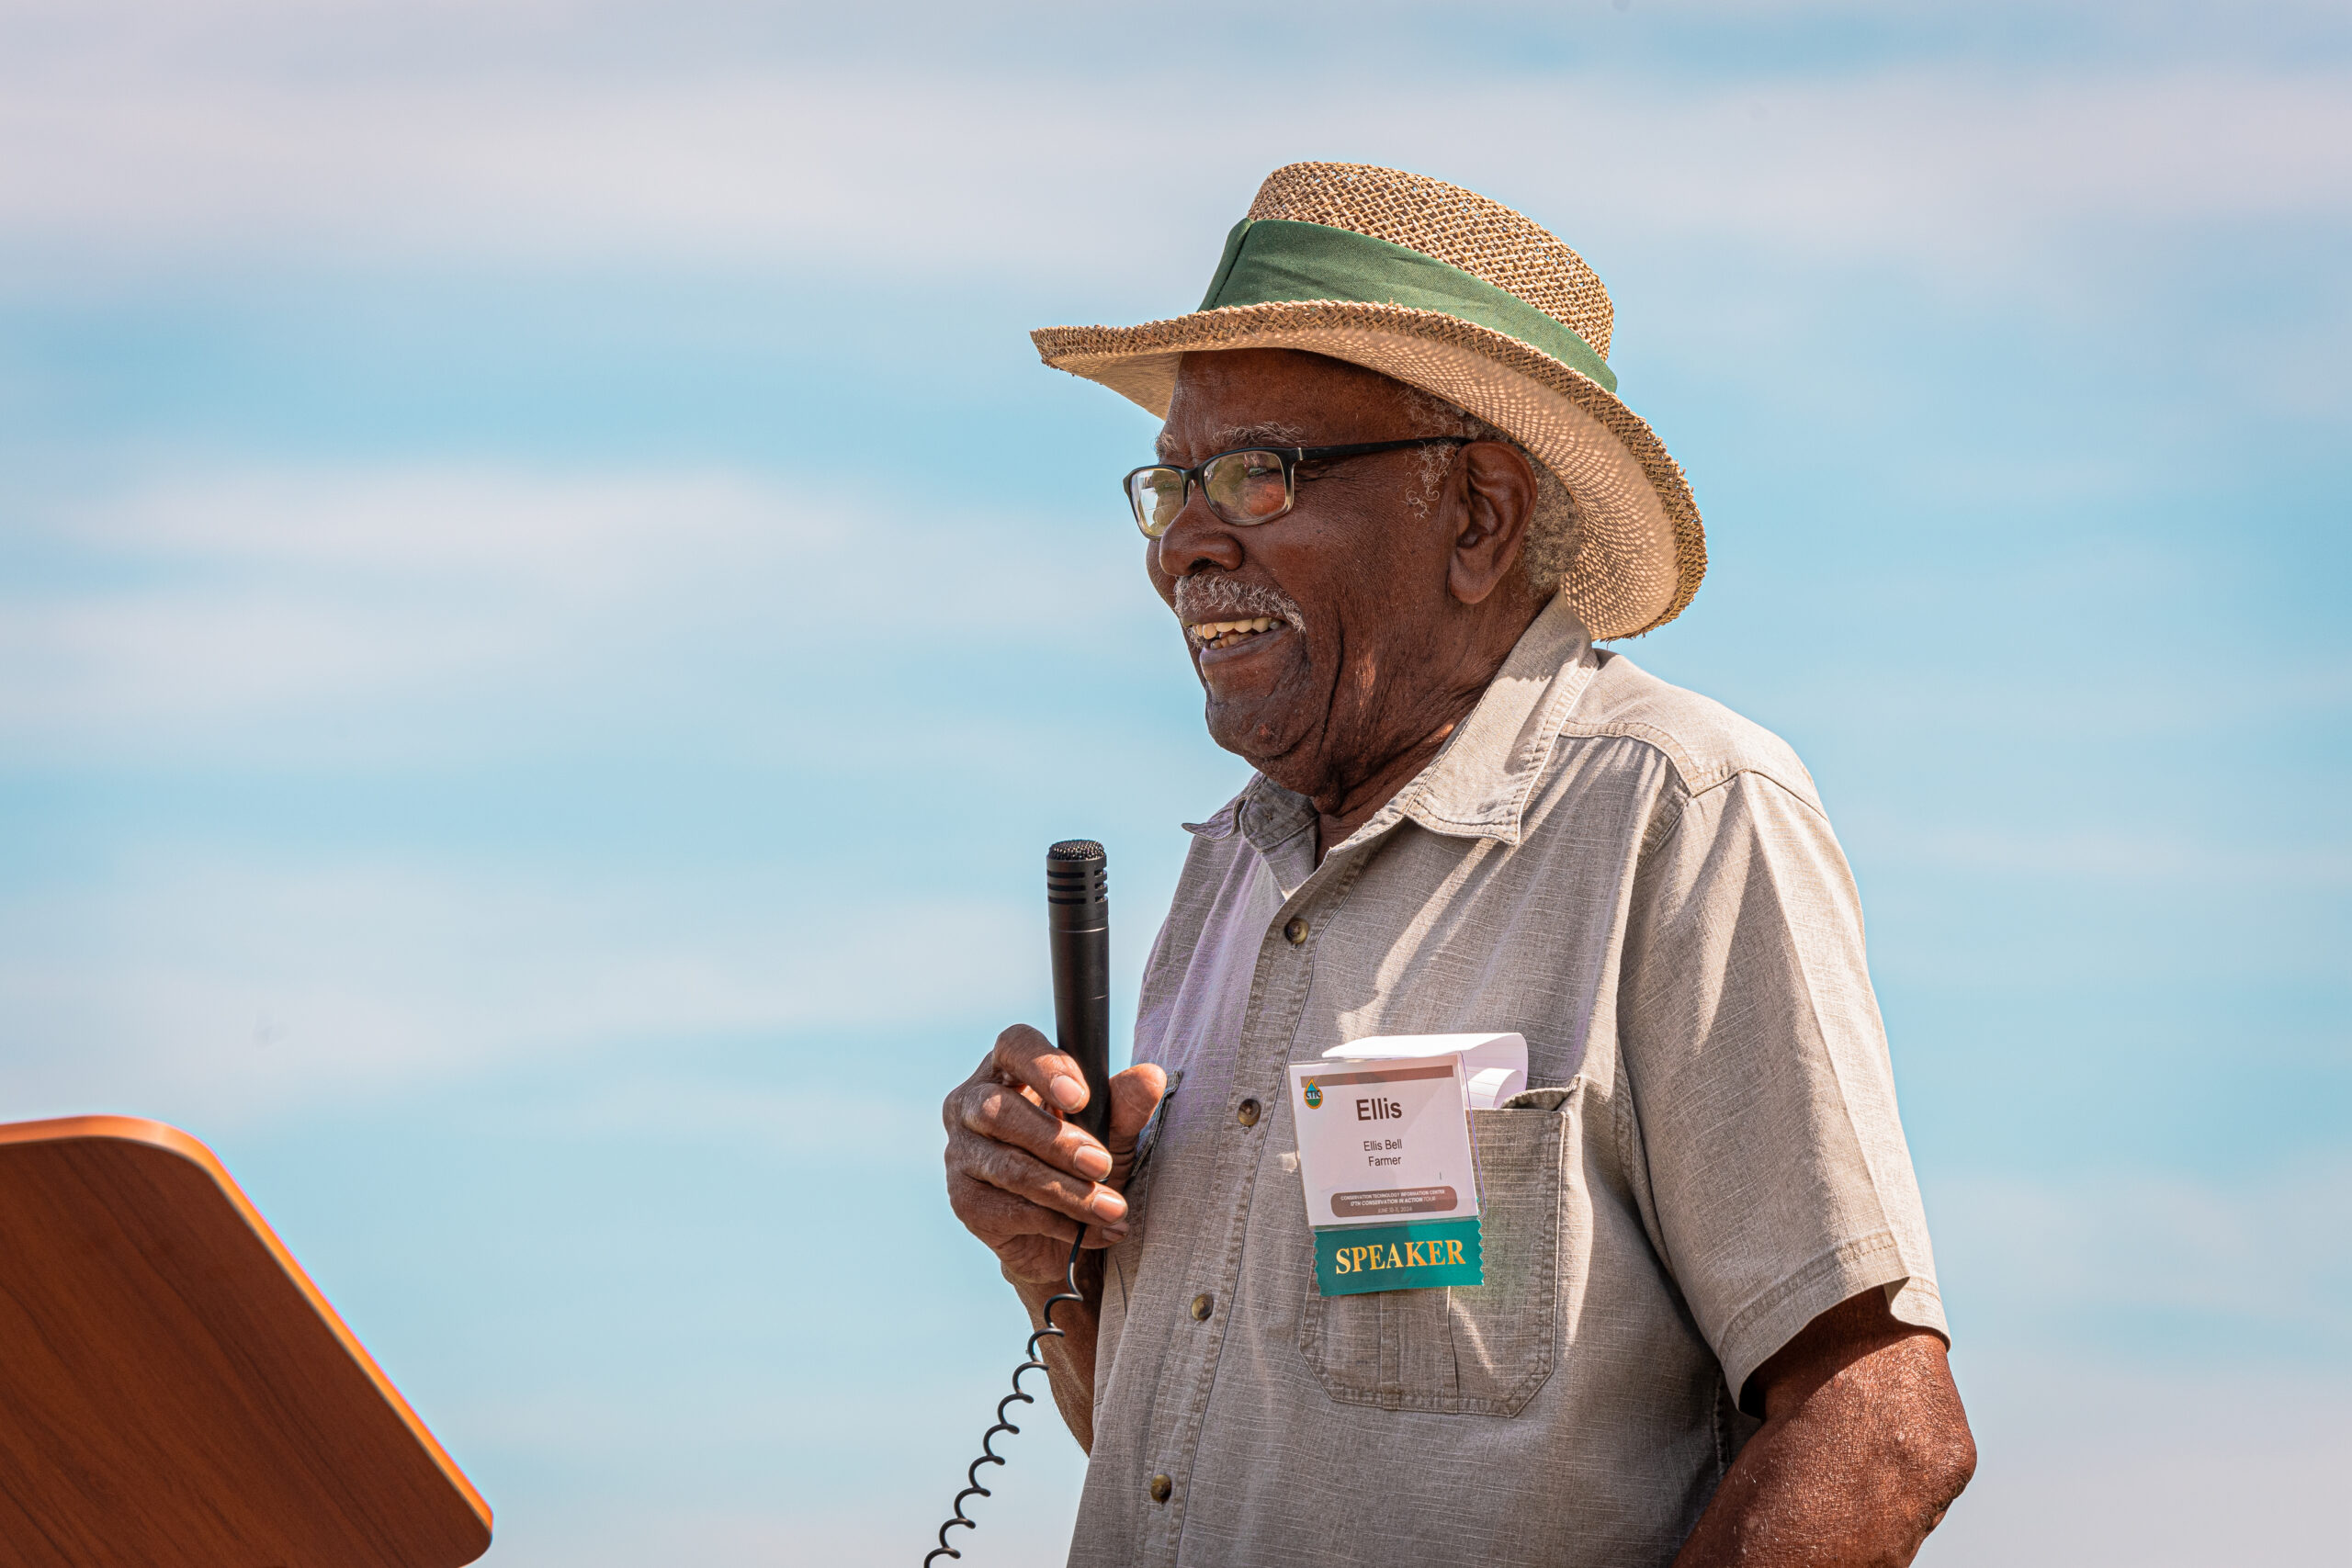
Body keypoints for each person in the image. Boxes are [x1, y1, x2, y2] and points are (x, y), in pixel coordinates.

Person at [941, 162, 1975, 1568]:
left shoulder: (1676, 811)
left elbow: (1877, 1419)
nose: (1185, 542)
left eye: (1256, 471)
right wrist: (1048, 1268)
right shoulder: (1232, 874)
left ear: (1479, 515)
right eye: (1172, 483)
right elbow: (1188, 1458)